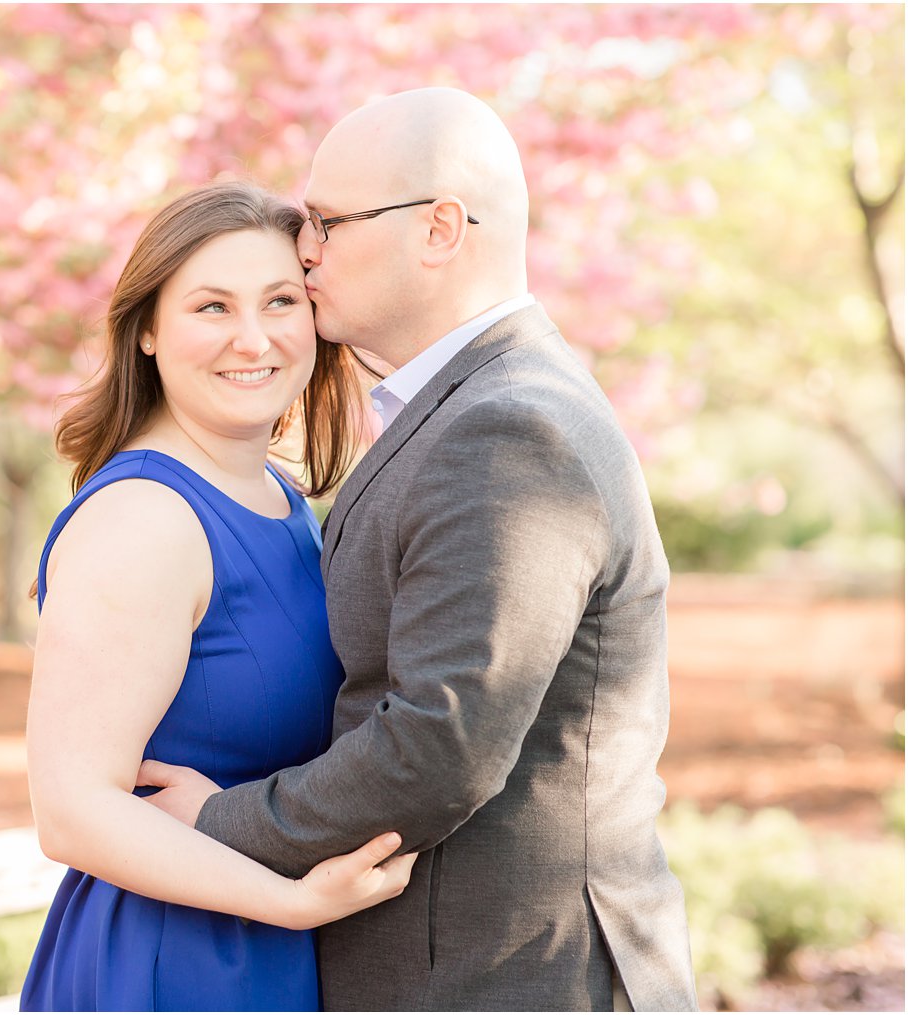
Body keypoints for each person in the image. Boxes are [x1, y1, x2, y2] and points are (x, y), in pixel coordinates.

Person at [139, 88, 698, 1011]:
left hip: (507, 981)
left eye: (327, 220)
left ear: (441, 229)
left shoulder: (509, 429)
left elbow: (440, 742)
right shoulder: (465, 410)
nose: (304, 247)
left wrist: (215, 819)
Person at [19, 181, 417, 1012]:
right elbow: (71, 808)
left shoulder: (280, 496)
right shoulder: (144, 518)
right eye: (211, 307)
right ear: (150, 334)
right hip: (176, 961)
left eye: (280, 300)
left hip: (277, 951)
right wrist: (290, 901)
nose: (253, 337)